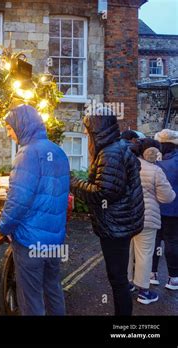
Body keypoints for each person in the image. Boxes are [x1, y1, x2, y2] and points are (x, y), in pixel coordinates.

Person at [70, 108, 144, 316]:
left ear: (98, 129)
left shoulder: (110, 153)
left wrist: (74, 183)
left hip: (116, 225)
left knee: (118, 279)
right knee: (119, 277)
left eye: (88, 130)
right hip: (122, 222)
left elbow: (103, 193)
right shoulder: (116, 148)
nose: (86, 134)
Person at [0, 105, 70, 316]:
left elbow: (18, 201)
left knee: (30, 298)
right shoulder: (58, 151)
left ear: (21, 126)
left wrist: (3, 226)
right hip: (54, 239)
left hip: (31, 241)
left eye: (10, 129)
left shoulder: (27, 154)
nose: (10, 134)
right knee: (53, 289)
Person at [128, 138, 175, 305]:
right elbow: (166, 197)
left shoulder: (129, 165)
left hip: (127, 216)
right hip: (147, 217)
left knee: (129, 252)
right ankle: (143, 291)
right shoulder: (156, 170)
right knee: (145, 254)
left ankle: (127, 285)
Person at [152, 129, 178, 290]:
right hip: (174, 209)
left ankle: (152, 274)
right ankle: (173, 278)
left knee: (154, 241)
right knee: (172, 241)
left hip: (155, 207)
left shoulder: (153, 161)